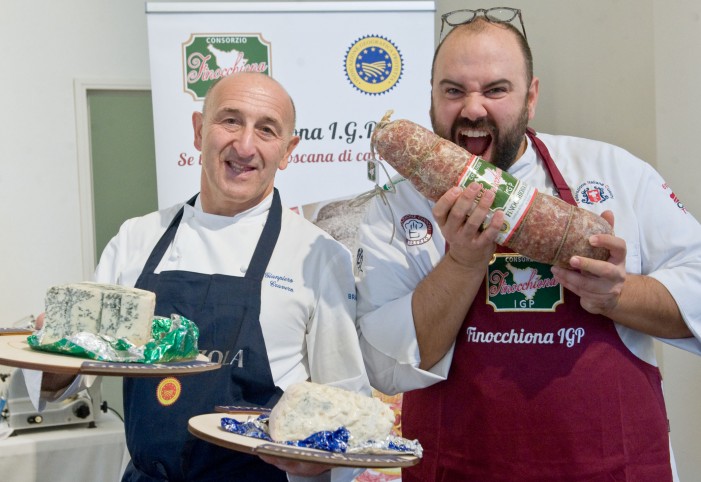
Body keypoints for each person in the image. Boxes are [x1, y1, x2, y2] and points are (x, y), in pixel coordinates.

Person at [355, 8, 701, 482]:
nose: (472, 109)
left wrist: (619, 295)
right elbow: (388, 366)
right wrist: (463, 262)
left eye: (496, 90)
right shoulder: (394, 207)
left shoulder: (615, 172)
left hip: (610, 468)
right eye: (453, 90)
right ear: (431, 96)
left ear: (531, 97)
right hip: (460, 468)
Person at [32, 72, 370, 481]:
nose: (244, 145)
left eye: (266, 129)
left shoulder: (318, 257)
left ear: (287, 150)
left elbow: (346, 399)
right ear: (198, 131)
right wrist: (53, 363)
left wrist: (323, 464)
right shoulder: (137, 238)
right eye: (230, 120)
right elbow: (74, 375)